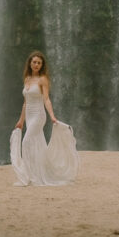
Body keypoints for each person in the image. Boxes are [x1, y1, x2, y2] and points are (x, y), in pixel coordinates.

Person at [10, 50, 77, 186]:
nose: (36, 65)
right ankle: (34, 173)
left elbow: (46, 99)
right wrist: (21, 121)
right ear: (30, 63)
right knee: (38, 145)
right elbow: (25, 102)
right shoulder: (27, 79)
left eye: (39, 63)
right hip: (28, 115)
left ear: (42, 65)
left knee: (26, 142)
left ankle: (31, 176)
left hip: (39, 115)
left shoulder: (43, 79)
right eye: (34, 62)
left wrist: (52, 116)